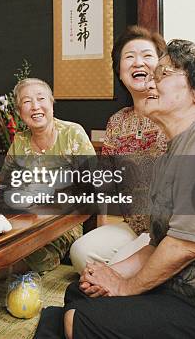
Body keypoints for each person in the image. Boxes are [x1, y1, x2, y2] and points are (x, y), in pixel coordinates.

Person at [37, 39, 195, 338]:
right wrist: (111, 274)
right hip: (182, 288)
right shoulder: (172, 150)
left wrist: (125, 285)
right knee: (79, 292)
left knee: (78, 319)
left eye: (164, 74)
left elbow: (186, 247)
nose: (151, 80)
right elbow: (158, 244)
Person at [70, 26, 168, 272]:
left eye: (147, 56)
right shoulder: (117, 121)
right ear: (120, 72)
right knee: (81, 252)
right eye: (129, 57)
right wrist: (104, 224)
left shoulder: (172, 112)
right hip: (132, 225)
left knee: (114, 269)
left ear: (161, 66)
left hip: (166, 229)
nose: (138, 62)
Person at [0, 78, 95, 273]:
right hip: (24, 220)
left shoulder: (72, 134)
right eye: (26, 102)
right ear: (18, 111)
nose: (35, 106)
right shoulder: (21, 140)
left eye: (41, 98)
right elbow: (3, 184)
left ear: (51, 103)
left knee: (31, 255)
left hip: (62, 223)